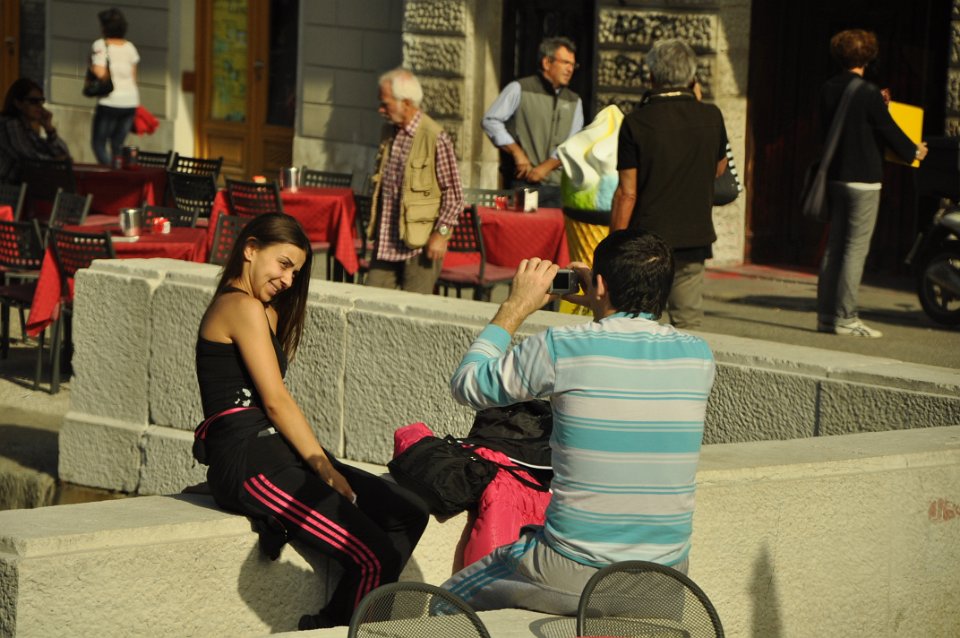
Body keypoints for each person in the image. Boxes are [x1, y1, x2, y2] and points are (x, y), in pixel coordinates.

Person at [440, 229, 716, 615]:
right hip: (666, 580)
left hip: (573, 571)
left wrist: (516, 305)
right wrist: (604, 302)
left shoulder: (562, 347)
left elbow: (467, 384)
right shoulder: (699, 357)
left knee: (445, 605)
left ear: (599, 284)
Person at [194, 213, 429, 629]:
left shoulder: (265, 311)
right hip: (248, 463)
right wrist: (324, 468)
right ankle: (340, 630)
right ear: (250, 249)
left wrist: (320, 463)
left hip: (277, 453)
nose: (288, 280)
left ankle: (343, 624)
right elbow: (276, 402)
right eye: (283, 264)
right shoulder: (239, 306)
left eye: (295, 272)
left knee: (409, 512)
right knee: (373, 556)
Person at [815, 29, 928, 338]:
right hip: (864, 180)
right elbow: (888, 130)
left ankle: (826, 316)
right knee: (854, 249)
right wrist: (915, 151)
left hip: (835, 177)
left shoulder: (828, 88)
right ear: (867, 57)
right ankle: (847, 318)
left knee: (834, 246)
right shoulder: (868, 92)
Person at [610, 38, 729, 330]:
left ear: (652, 76)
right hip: (694, 236)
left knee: (638, 321)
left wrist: (614, 243)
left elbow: (627, 193)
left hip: (647, 240)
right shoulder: (711, 116)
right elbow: (719, 168)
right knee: (688, 322)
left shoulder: (637, 122)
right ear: (692, 77)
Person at [366, 68, 464, 294]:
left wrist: (441, 234)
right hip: (386, 240)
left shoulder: (434, 136)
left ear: (407, 103)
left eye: (385, 104)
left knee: (412, 308)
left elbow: (454, 195)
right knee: (370, 300)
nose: (380, 110)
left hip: (420, 243)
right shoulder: (388, 132)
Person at [482, 37, 584, 208]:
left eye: (573, 65)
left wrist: (546, 167)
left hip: (558, 188)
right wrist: (516, 152)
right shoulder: (519, 88)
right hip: (523, 183)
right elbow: (490, 120)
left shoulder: (574, 101)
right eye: (566, 63)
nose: (570, 69)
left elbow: (573, 143)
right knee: (523, 225)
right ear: (547, 63)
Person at [89, 7, 140, 165]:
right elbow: (133, 76)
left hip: (110, 101)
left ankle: (111, 172)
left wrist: (90, 66)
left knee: (98, 143)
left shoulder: (100, 45)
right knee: (117, 144)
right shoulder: (130, 47)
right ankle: (118, 172)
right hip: (130, 101)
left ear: (104, 27)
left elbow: (99, 71)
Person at [0, 78, 71, 184]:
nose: (39, 106)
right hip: (6, 189)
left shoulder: (28, 130)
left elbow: (64, 155)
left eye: (41, 101)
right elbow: (29, 159)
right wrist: (55, 161)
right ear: (18, 103)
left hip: (21, 188)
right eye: (33, 101)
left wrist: (49, 129)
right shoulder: (10, 124)